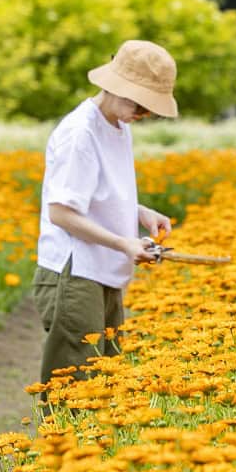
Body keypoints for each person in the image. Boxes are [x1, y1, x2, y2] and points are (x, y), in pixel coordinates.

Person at [34, 39, 179, 388]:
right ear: (116, 88)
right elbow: (61, 213)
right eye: (140, 107)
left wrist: (139, 212)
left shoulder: (117, 125)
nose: (142, 117)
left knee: (106, 383)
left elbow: (95, 193)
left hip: (103, 268)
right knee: (76, 387)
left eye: (150, 111)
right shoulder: (79, 133)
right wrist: (123, 243)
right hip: (75, 272)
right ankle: (58, 444)